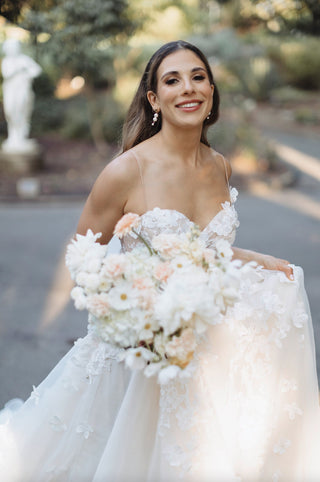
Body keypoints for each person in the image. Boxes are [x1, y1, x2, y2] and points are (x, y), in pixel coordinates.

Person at [0, 40, 319, 481]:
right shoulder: (127, 171)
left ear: (211, 90)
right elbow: (83, 257)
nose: (188, 88)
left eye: (198, 76)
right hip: (139, 362)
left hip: (206, 357)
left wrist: (259, 259)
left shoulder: (219, 166)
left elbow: (207, 250)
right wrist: (137, 316)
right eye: (172, 80)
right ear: (154, 98)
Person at [1, 39, 42, 152]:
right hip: (10, 91)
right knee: (10, 111)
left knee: (21, 111)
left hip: (23, 90)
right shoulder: (7, 61)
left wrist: (28, 74)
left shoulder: (24, 59)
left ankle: (20, 136)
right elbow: (7, 74)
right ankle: (13, 136)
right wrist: (20, 69)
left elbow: (37, 70)